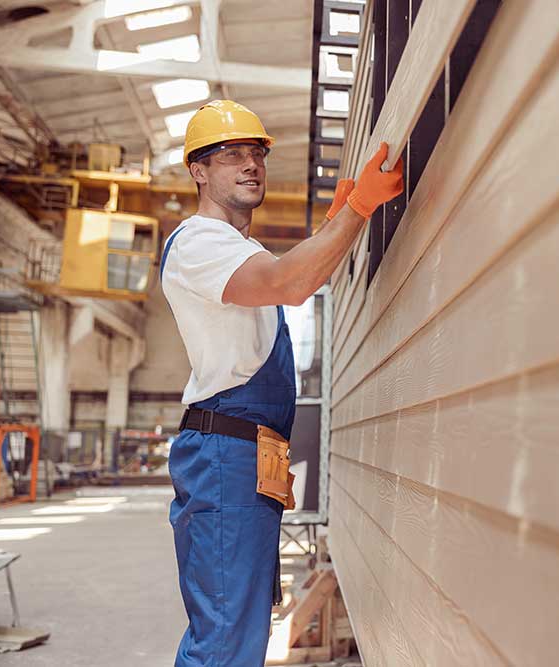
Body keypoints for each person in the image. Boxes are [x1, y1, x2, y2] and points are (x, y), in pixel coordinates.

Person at [160, 99, 402, 667]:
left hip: (246, 456)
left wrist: (332, 230)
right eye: (230, 156)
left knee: (239, 627)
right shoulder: (197, 242)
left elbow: (291, 273)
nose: (250, 165)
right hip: (226, 457)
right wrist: (357, 211)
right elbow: (289, 283)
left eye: (256, 155)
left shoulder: (239, 249)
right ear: (198, 170)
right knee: (225, 637)